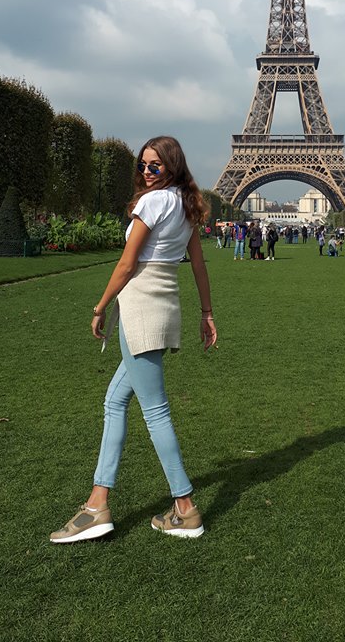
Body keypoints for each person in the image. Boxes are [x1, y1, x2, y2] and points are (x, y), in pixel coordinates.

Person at [50, 136, 217, 544]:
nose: (146, 171)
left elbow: (127, 265)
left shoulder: (153, 202)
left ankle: (184, 507)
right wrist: (206, 313)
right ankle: (97, 503)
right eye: (142, 165)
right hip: (165, 306)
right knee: (114, 401)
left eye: (155, 165)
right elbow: (198, 266)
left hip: (140, 307)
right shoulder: (186, 205)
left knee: (156, 412)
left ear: (171, 166)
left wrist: (100, 306)